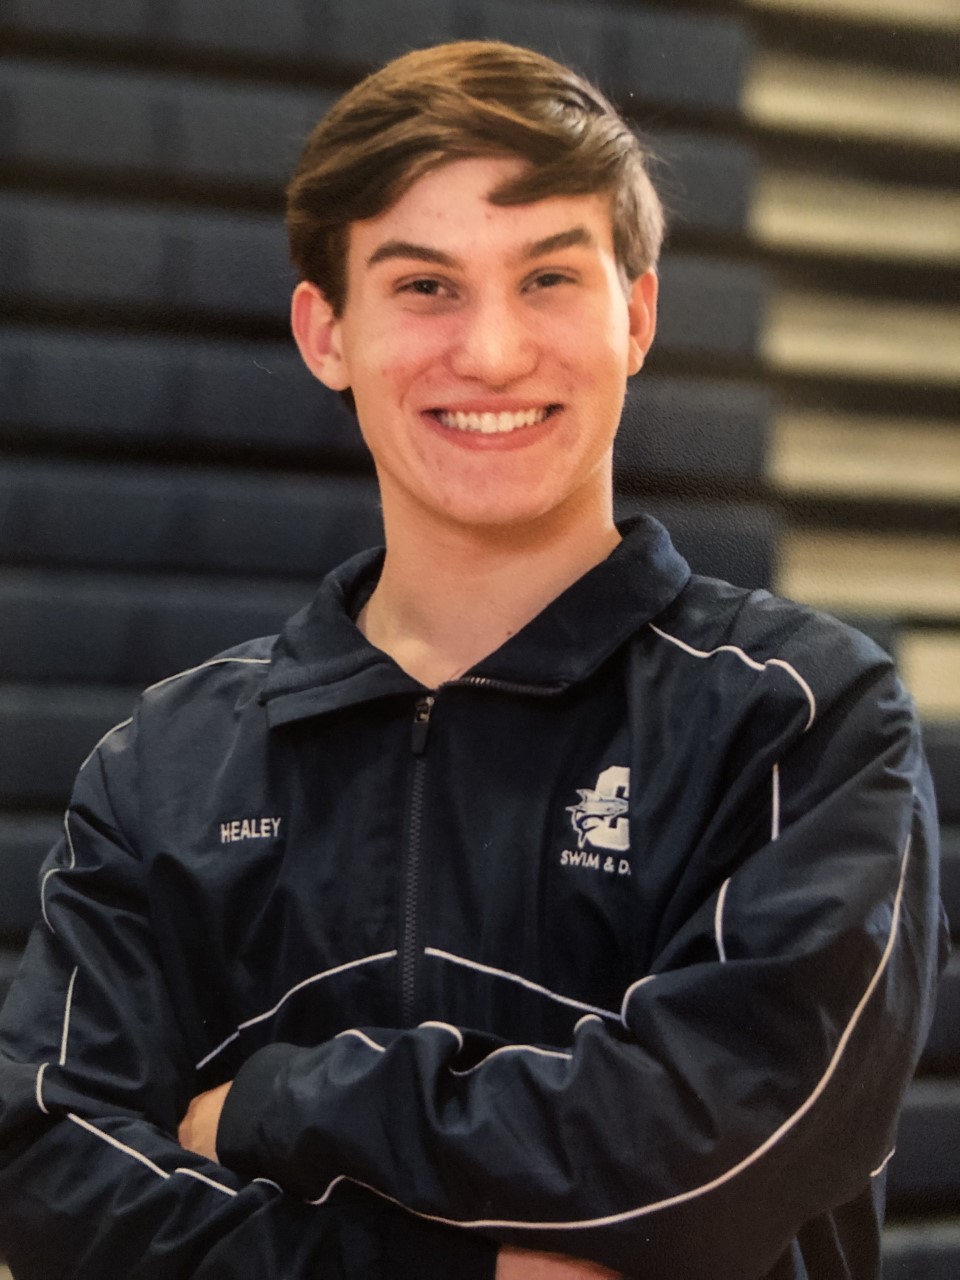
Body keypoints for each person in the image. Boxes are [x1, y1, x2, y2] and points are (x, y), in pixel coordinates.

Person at [0, 39, 947, 1280]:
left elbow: (718, 1148)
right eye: (426, 287)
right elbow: (48, 1177)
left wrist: (276, 1102)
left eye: (549, 276)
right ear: (325, 332)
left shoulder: (803, 720)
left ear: (639, 314)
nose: (493, 352)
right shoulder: (164, 769)